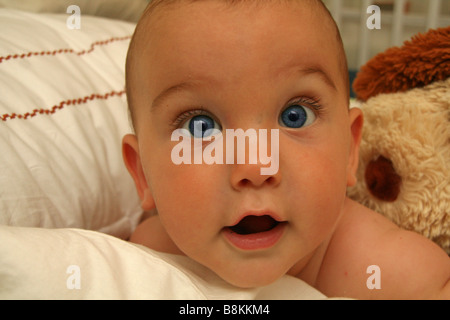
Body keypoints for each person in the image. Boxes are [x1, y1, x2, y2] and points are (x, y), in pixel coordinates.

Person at [122, 0, 450, 299]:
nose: (255, 165)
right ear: (142, 174)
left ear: (350, 149)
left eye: (294, 116)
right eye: (200, 126)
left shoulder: (395, 273)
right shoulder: (144, 259)